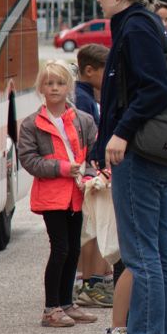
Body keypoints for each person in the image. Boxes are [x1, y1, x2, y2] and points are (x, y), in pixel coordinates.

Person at [92, 0, 167, 334]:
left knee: (141, 253)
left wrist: (120, 133)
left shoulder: (136, 25)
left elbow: (153, 89)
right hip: (153, 151)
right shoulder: (142, 23)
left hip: (139, 154)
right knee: (159, 251)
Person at [18, 60, 99, 328]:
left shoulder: (83, 120)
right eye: (49, 83)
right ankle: (51, 308)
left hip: (77, 193)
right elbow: (29, 160)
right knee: (60, 248)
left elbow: (92, 152)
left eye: (60, 83)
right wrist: (62, 168)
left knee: (74, 249)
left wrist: (90, 174)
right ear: (41, 87)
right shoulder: (32, 124)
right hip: (52, 195)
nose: (54, 88)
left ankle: (66, 303)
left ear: (69, 87)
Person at [70, 45, 112, 308]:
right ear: (89, 70)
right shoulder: (83, 99)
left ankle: (91, 279)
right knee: (91, 230)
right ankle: (90, 283)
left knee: (92, 228)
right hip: (88, 168)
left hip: (87, 167)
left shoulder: (86, 94)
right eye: (105, 71)